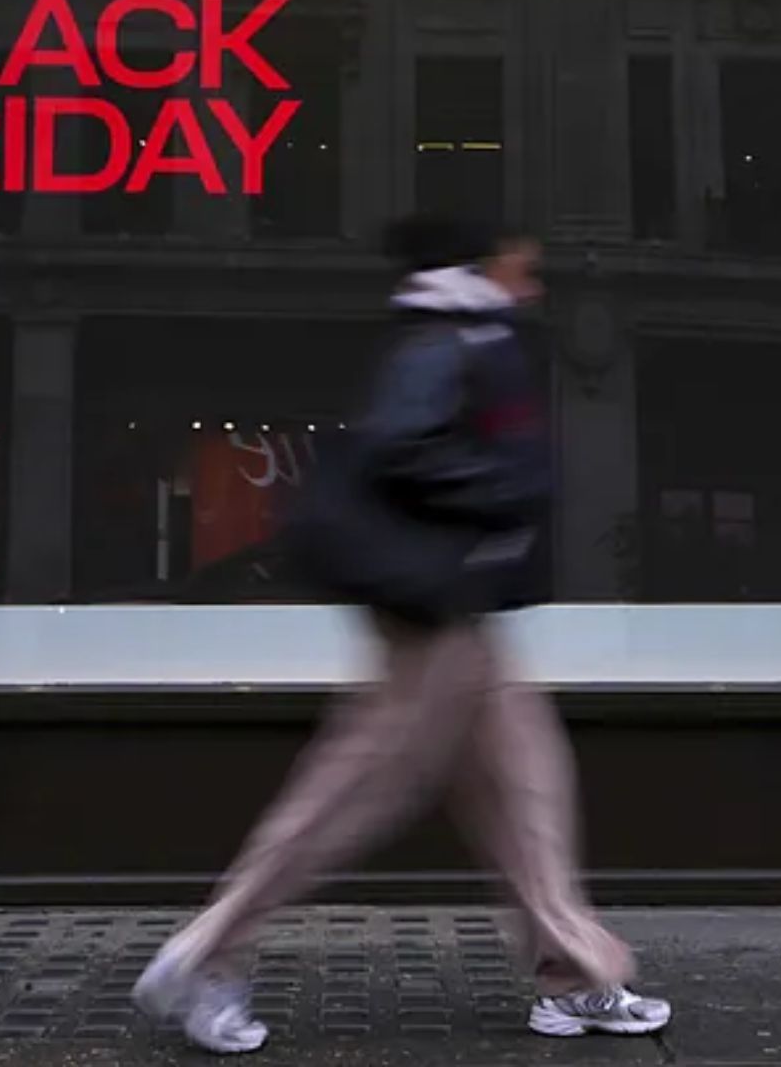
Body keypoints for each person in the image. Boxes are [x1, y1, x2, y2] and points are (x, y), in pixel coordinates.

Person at [133, 213, 670, 1054]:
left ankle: (571, 979)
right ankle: (207, 952)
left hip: (458, 611)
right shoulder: (451, 338)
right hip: (434, 615)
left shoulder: (463, 330)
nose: (534, 283)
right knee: (354, 792)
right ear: (485, 263)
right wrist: (501, 497)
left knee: (523, 792)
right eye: (523, 265)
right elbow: (400, 449)